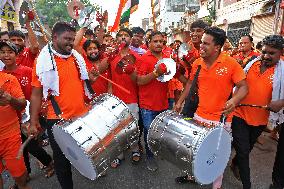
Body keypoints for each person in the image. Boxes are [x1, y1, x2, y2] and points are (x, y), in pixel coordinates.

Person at [174, 27, 248, 189]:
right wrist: (179, 102)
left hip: (221, 120)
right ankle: (193, 175)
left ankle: (217, 184)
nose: (201, 46)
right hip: (199, 116)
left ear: (217, 47)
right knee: (195, 150)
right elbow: (189, 85)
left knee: (217, 155)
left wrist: (234, 101)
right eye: (201, 43)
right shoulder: (197, 63)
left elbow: (243, 87)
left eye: (205, 44)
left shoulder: (230, 63)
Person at [29, 22, 95, 189]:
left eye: (73, 39)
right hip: (57, 119)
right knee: (61, 160)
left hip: (81, 114)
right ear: (55, 37)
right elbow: (36, 94)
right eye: (67, 39)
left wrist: (92, 78)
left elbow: (81, 83)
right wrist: (33, 121)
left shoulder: (75, 57)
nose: (71, 43)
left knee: (86, 151)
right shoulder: (42, 61)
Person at [231, 35, 284, 189]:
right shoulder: (251, 64)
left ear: (281, 52)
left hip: (260, 120)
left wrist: (281, 102)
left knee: (245, 150)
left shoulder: (282, 71)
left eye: (271, 53)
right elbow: (238, 83)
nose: (266, 56)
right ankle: (247, 185)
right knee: (243, 151)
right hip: (239, 114)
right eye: (264, 52)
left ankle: (234, 164)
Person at [0, 41, 54, 184]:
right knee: (21, 151)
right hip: (12, 121)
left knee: (32, 146)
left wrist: (32, 119)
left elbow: (38, 93)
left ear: (17, 55)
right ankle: (26, 174)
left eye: (10, 52)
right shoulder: (2, 75)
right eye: (3, 52)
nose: (6, 55)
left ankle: (49, 163)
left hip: (30, 116)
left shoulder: (27, 71)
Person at [137, 31, 170, 172]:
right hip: (148, 105)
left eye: (161, 41)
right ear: (148, 43)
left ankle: (157, 152)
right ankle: (150, 157)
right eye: (155, 41)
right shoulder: (144, 58)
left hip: (163, 102)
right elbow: (139, 81)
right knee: (149, 132)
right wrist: (156, 73)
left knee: (159, 132)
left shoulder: (167, 57)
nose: (158, 44)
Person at [0, 65, 30, 188]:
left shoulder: (8, 78)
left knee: (20, 178)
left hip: (10, 136)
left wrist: (10, 99)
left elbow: (22, 104)